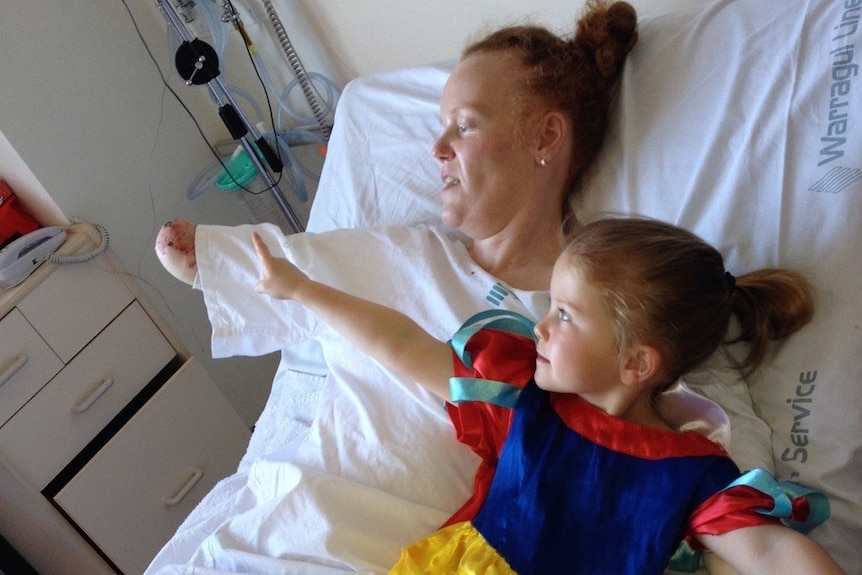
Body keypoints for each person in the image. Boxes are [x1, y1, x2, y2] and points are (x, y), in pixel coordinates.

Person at [148, 2, 765, 574]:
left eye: (464, 126)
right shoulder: (403, 254)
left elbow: (656, 417)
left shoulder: (587, 315)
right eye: (440, 126)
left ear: (547, 138)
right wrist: (209, 255)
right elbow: (283, 269)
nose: (437, 148)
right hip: (272, 538)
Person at [249, 216, 843, 575]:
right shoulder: (523, 400)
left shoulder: (690, 473)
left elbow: (768, 555)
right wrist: (300, 287)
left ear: (635, 362)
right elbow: (404, 345)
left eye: (564, 314)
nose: (539, 327)